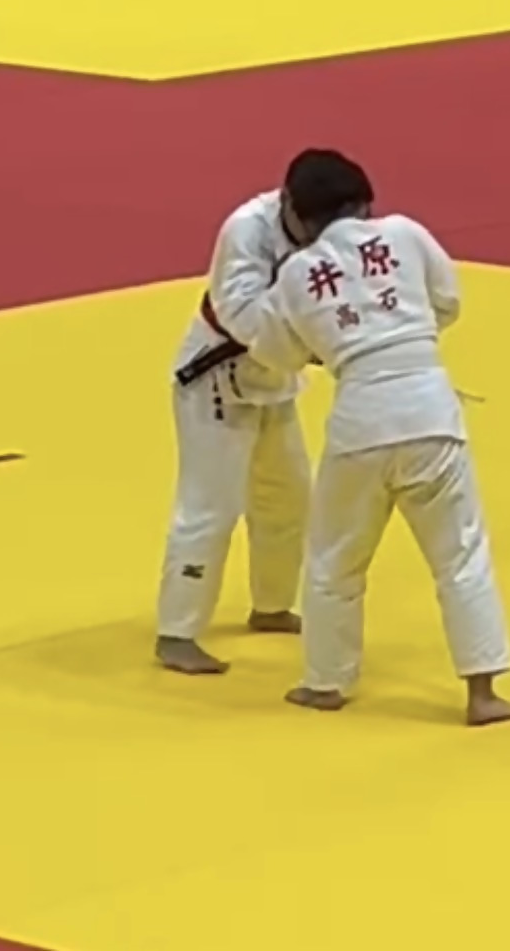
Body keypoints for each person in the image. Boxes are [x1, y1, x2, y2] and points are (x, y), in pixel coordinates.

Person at [247, 152, 510, 726]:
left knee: (335, 559)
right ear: (365, 200)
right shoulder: (405, 234)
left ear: (296, 213)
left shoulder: (297, 273)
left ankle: (325, 682)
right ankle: (483, 692)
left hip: (361, 422)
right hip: (429, 411)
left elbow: (276, 351)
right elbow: (448, 301)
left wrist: (334, 348)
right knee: (461, 554)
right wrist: (405, 334)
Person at [155, 152, 333, 674]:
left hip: (274, 382)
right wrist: (324, 346)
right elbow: (244, 316)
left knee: (289, 496)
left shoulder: (338, 228)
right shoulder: (247, 230)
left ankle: (272, 603)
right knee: (211, 506)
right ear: (288, 204)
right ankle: (176, 632)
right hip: (216, 381)